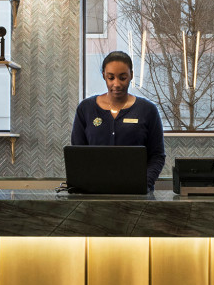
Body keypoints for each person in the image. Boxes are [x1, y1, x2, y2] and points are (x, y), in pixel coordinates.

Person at [71, 51, 166, 191]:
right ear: (104, 75)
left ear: (131, 76)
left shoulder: (148, 110)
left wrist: (143, 183)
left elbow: (157, 156)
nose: (116, 84)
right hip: (94, 195)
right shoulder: (85, 109)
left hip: (137, 195)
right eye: (111, 77)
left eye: (122, 78)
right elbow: (77, 155)